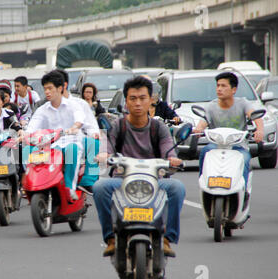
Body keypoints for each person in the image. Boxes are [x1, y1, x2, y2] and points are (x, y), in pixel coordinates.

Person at [94, 76, 186, 258]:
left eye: (142, 98)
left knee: (177, 187)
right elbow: (107, 149)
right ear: (126, 102)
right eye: (133, 98)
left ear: (151, 100)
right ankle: (111, 238)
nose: (137, 103)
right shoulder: (117, 126)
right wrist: (104, 156)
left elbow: (169, 149)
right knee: (99, 187)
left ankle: (167, 239)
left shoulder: (158, 127)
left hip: (155, 182)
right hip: (121, 182)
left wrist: (172, 160)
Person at [194, 71, 264, 188]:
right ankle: (204, 184)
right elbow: (202, 123)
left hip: (239, 146)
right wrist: (198, 130)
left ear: (234, 89)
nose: (219, 89)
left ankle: (244, 189)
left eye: (223, 86)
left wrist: (260, 130)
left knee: (245, 159)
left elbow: (256, 117)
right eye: (218, 85)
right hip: (216, 146)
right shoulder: (211, 106)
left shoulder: (243, 103)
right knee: (205, 152)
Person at [24, 70, 84, 201]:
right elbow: (32, 126)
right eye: (45, 89)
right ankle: (36, 186)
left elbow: (79, 120)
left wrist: (74, 127)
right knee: (30, 153)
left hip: (70, 142)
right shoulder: (42, 109)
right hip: (50, 145)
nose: (47, 92)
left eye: (50, 88)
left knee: (72, 150)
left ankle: (70, 187)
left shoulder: (74, 105)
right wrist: (24, 134)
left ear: (60, 88)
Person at [56, 70, 100, 193]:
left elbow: (91, 125)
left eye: (52, 86)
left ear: (63, 86)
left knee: (94, 143)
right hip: (54, 143)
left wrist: (94, 134)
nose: (48, 91)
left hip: (77, 141)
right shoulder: (45, 106)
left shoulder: (80, 104)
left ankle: (88, 181)